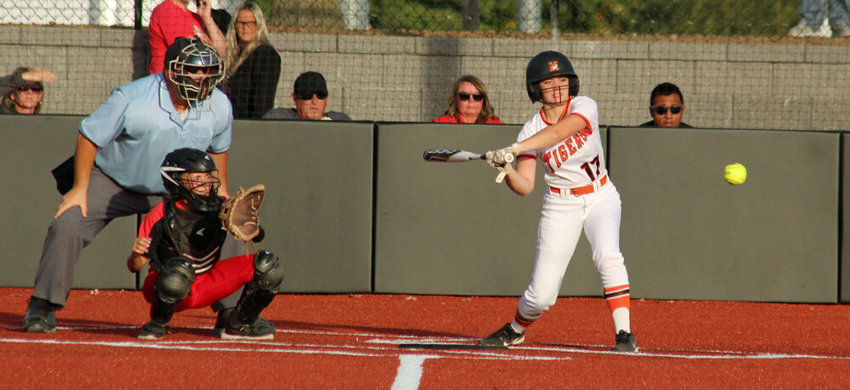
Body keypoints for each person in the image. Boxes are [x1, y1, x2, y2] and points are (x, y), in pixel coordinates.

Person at [22, 37, 234, 334]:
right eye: (193, 71)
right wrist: (79, 188)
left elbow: (217, 150)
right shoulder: (133, 98)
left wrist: (221, 193)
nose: (202, 78)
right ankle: (43, 305)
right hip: (114, 180)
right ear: (172, 72)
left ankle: (233, 313)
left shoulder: (219, 104)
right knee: (67, 222)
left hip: (174, 190)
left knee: (226, 222)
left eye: (208, 71)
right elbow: (89, 136)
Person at [479, 51, 636, 352]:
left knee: (608, 255)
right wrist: (507, 168)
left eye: (562, 80)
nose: (557, 87)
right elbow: (525, 187)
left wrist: (513, 148)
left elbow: (560, 131)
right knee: (542, 296)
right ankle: (515, 329)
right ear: (535, 90)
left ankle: (624, 333)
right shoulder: (529, 130)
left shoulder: (584, 105)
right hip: (560, 205)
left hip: (600, 195)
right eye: (549, 83)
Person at [128, 148, 283, 340]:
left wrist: (251, 227)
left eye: (207, 177)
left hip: (207, 282)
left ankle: (239, 323)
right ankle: (157, 324)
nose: (205, 184)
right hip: (168, 286)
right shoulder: (160, 214)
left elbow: (258, 237)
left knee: (269, 265)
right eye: (196, 178)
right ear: (176, 180)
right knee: (178, 270)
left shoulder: (222, 206)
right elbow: (135, 267)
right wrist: (135, 255)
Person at [222, 1, 281, 119]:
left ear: (258, 25)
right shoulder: (234, 55)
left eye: (251, 23)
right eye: (241, 23)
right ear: (235, 25)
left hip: (249, 125)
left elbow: (263, 102)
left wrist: (254, 129)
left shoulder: (265, 55)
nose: (245, 27)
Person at [148, 0, 227, 75]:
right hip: (169, 82)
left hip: (196, 79)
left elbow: (222, 52)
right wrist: (209, 43)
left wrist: (207, 17)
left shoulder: (195, 17)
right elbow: (188, 52)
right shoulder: (167, 10)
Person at [263, 71, 351, 121]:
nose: (314, 101)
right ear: (294, 98)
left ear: (326, 100)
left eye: (320, 96)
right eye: (308, 96)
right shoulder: (279, 118)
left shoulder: (340, 121)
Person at [432, 75, 503, 124]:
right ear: (455, 99)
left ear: (484, 101)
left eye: (477, 97)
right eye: (464, 96)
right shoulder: (440, 125)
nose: (471, 101)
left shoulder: (496, 127)